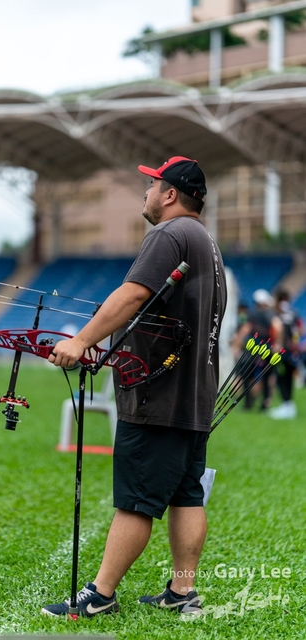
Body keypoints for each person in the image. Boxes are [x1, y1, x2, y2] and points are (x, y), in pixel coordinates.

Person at [43, 156, 227, 618]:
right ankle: (182, 592)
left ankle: (101, 595)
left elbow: (133, 293)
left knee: (136, 499)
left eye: (152, 184)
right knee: (187, 494)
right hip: (194, 397)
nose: (146, 192)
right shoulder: (207, 243)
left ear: (170, 194)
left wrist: (81, 341)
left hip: (157, 395)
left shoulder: (169, 233)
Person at [234, 289, 283, 411]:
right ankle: (265, 403)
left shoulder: (252, 314)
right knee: (267, 376)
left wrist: (237, 346)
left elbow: (245, 330)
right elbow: (278, 327)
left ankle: (248, 403)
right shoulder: (271, 314)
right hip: (268, 348)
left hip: (254, 348)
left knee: (247, 375)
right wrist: (277, 343)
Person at [268, 289, 304, 419]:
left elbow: (277, 330)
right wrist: (295, 342)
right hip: (293, 351)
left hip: (282, 350)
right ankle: (288, 405)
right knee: (287, 377)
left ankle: (287, 405)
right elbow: (301, 330)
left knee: (282, 377)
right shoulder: (293, 312)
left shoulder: (277, 313)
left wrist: (279, 343)